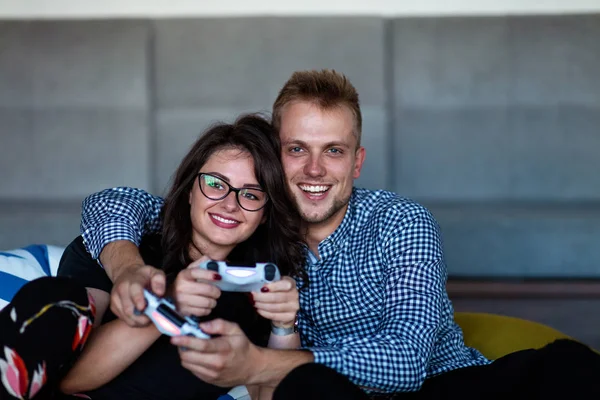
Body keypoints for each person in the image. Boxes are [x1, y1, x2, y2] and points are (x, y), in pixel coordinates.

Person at [76, 69, 600, 399]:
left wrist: (258, 363)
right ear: (271, 159)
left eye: (334, 151)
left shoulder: (400, 222)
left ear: (357, 162)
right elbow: (117, 203)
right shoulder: (247, 227)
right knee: (306, 386)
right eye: (297, 148)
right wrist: (127, 267)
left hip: (446, 388)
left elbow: (406, 360)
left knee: (565, 367)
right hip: (324, 394)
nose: (314, 170)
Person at [1, 114, 305, 400]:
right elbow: (70, 378)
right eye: (215, 184)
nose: (230, 204)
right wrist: (169, 304)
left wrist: (283, 326)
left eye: (251, 194)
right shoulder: (120, 251)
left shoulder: (256, 292)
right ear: (190, 190)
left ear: (266, 214)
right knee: (55, 295)